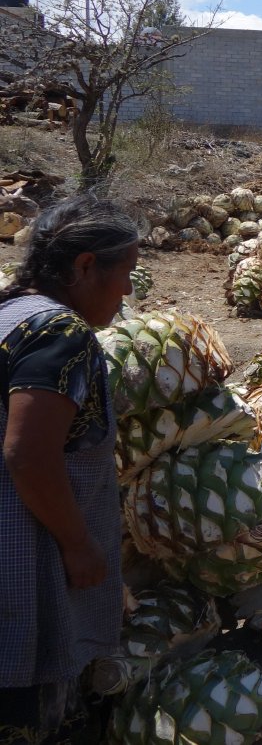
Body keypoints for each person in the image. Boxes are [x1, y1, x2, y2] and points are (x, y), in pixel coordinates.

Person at [1, 196, 139, 741]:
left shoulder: (10, 314)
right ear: (85, 267)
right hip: (24, 554)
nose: (128, 291)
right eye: (125, 273)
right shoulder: (61, 334)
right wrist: (79, 544)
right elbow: (28, 453)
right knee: (27, 695)